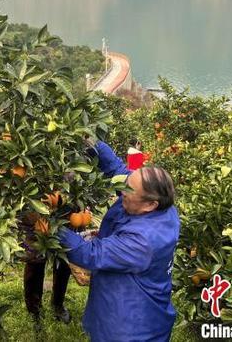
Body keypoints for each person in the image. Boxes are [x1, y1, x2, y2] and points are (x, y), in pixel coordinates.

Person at [59, 140, 180, 342]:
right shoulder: (156, 202)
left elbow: (91, 253)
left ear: (151, 204)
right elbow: (118, 172)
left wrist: (50, 226)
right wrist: (93, 142)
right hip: (122, 298)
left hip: (130, 323)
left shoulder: (144, 241)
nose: (121, 191)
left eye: (127, 190)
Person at [19, 210, 72, 327]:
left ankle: (58, 304)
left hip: (64, 207)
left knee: (63, 257)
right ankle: (34, 310)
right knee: (35, 258)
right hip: (36, 209)